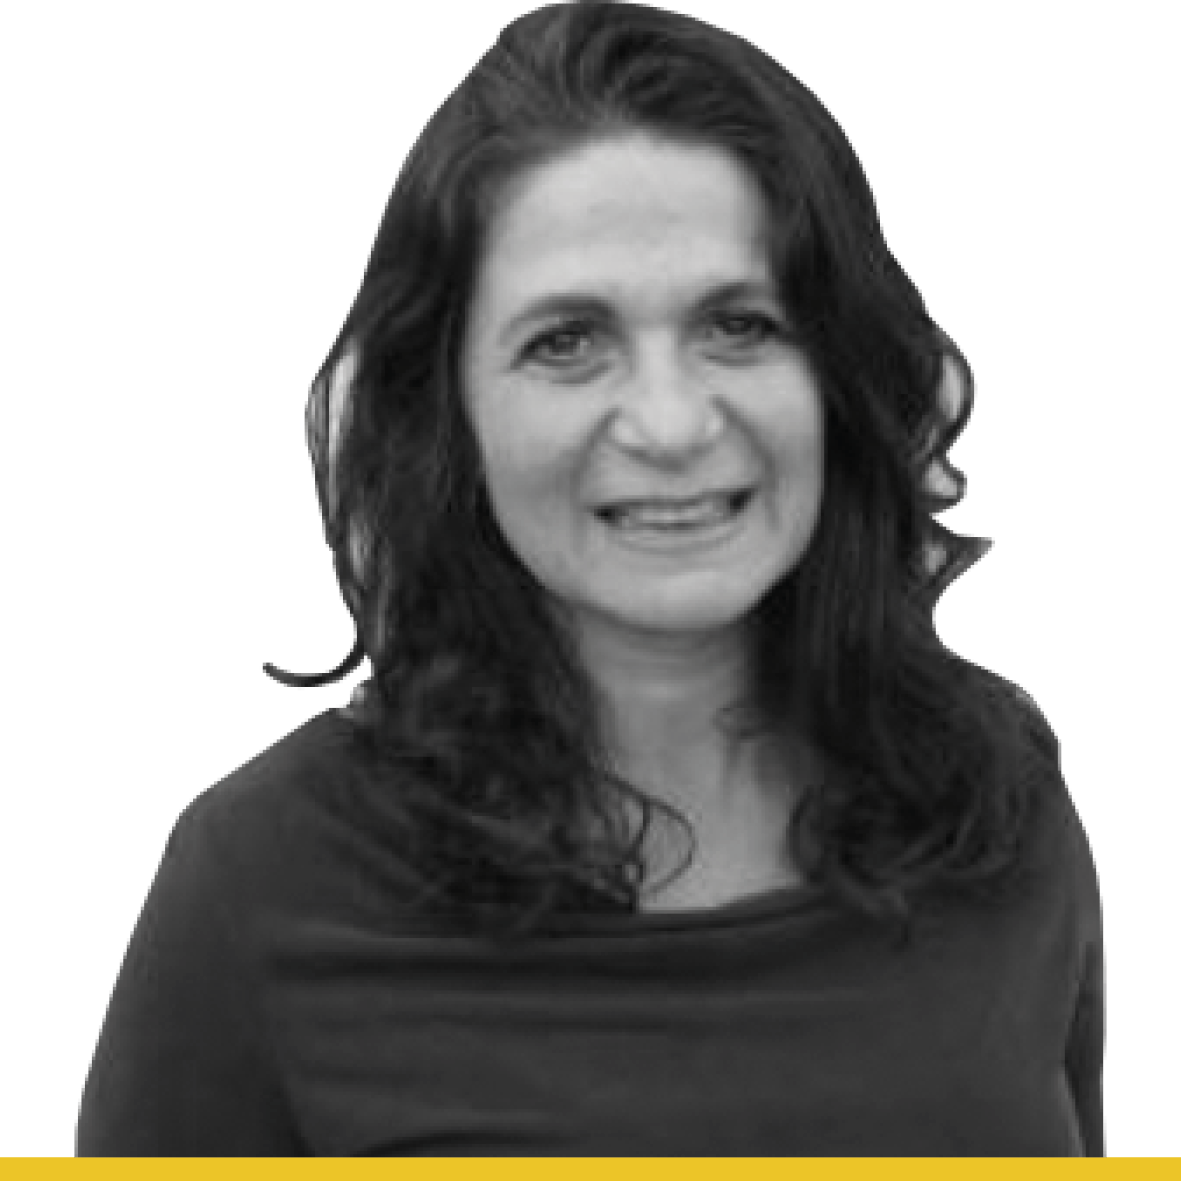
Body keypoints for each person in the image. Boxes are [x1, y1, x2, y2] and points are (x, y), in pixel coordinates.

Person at [76, 0, 1104, 1157]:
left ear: (837, 373)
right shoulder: (259, 880)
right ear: (446, 410)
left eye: (740, 323)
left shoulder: (993, 799)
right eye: (566, 340)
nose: (669, 422)